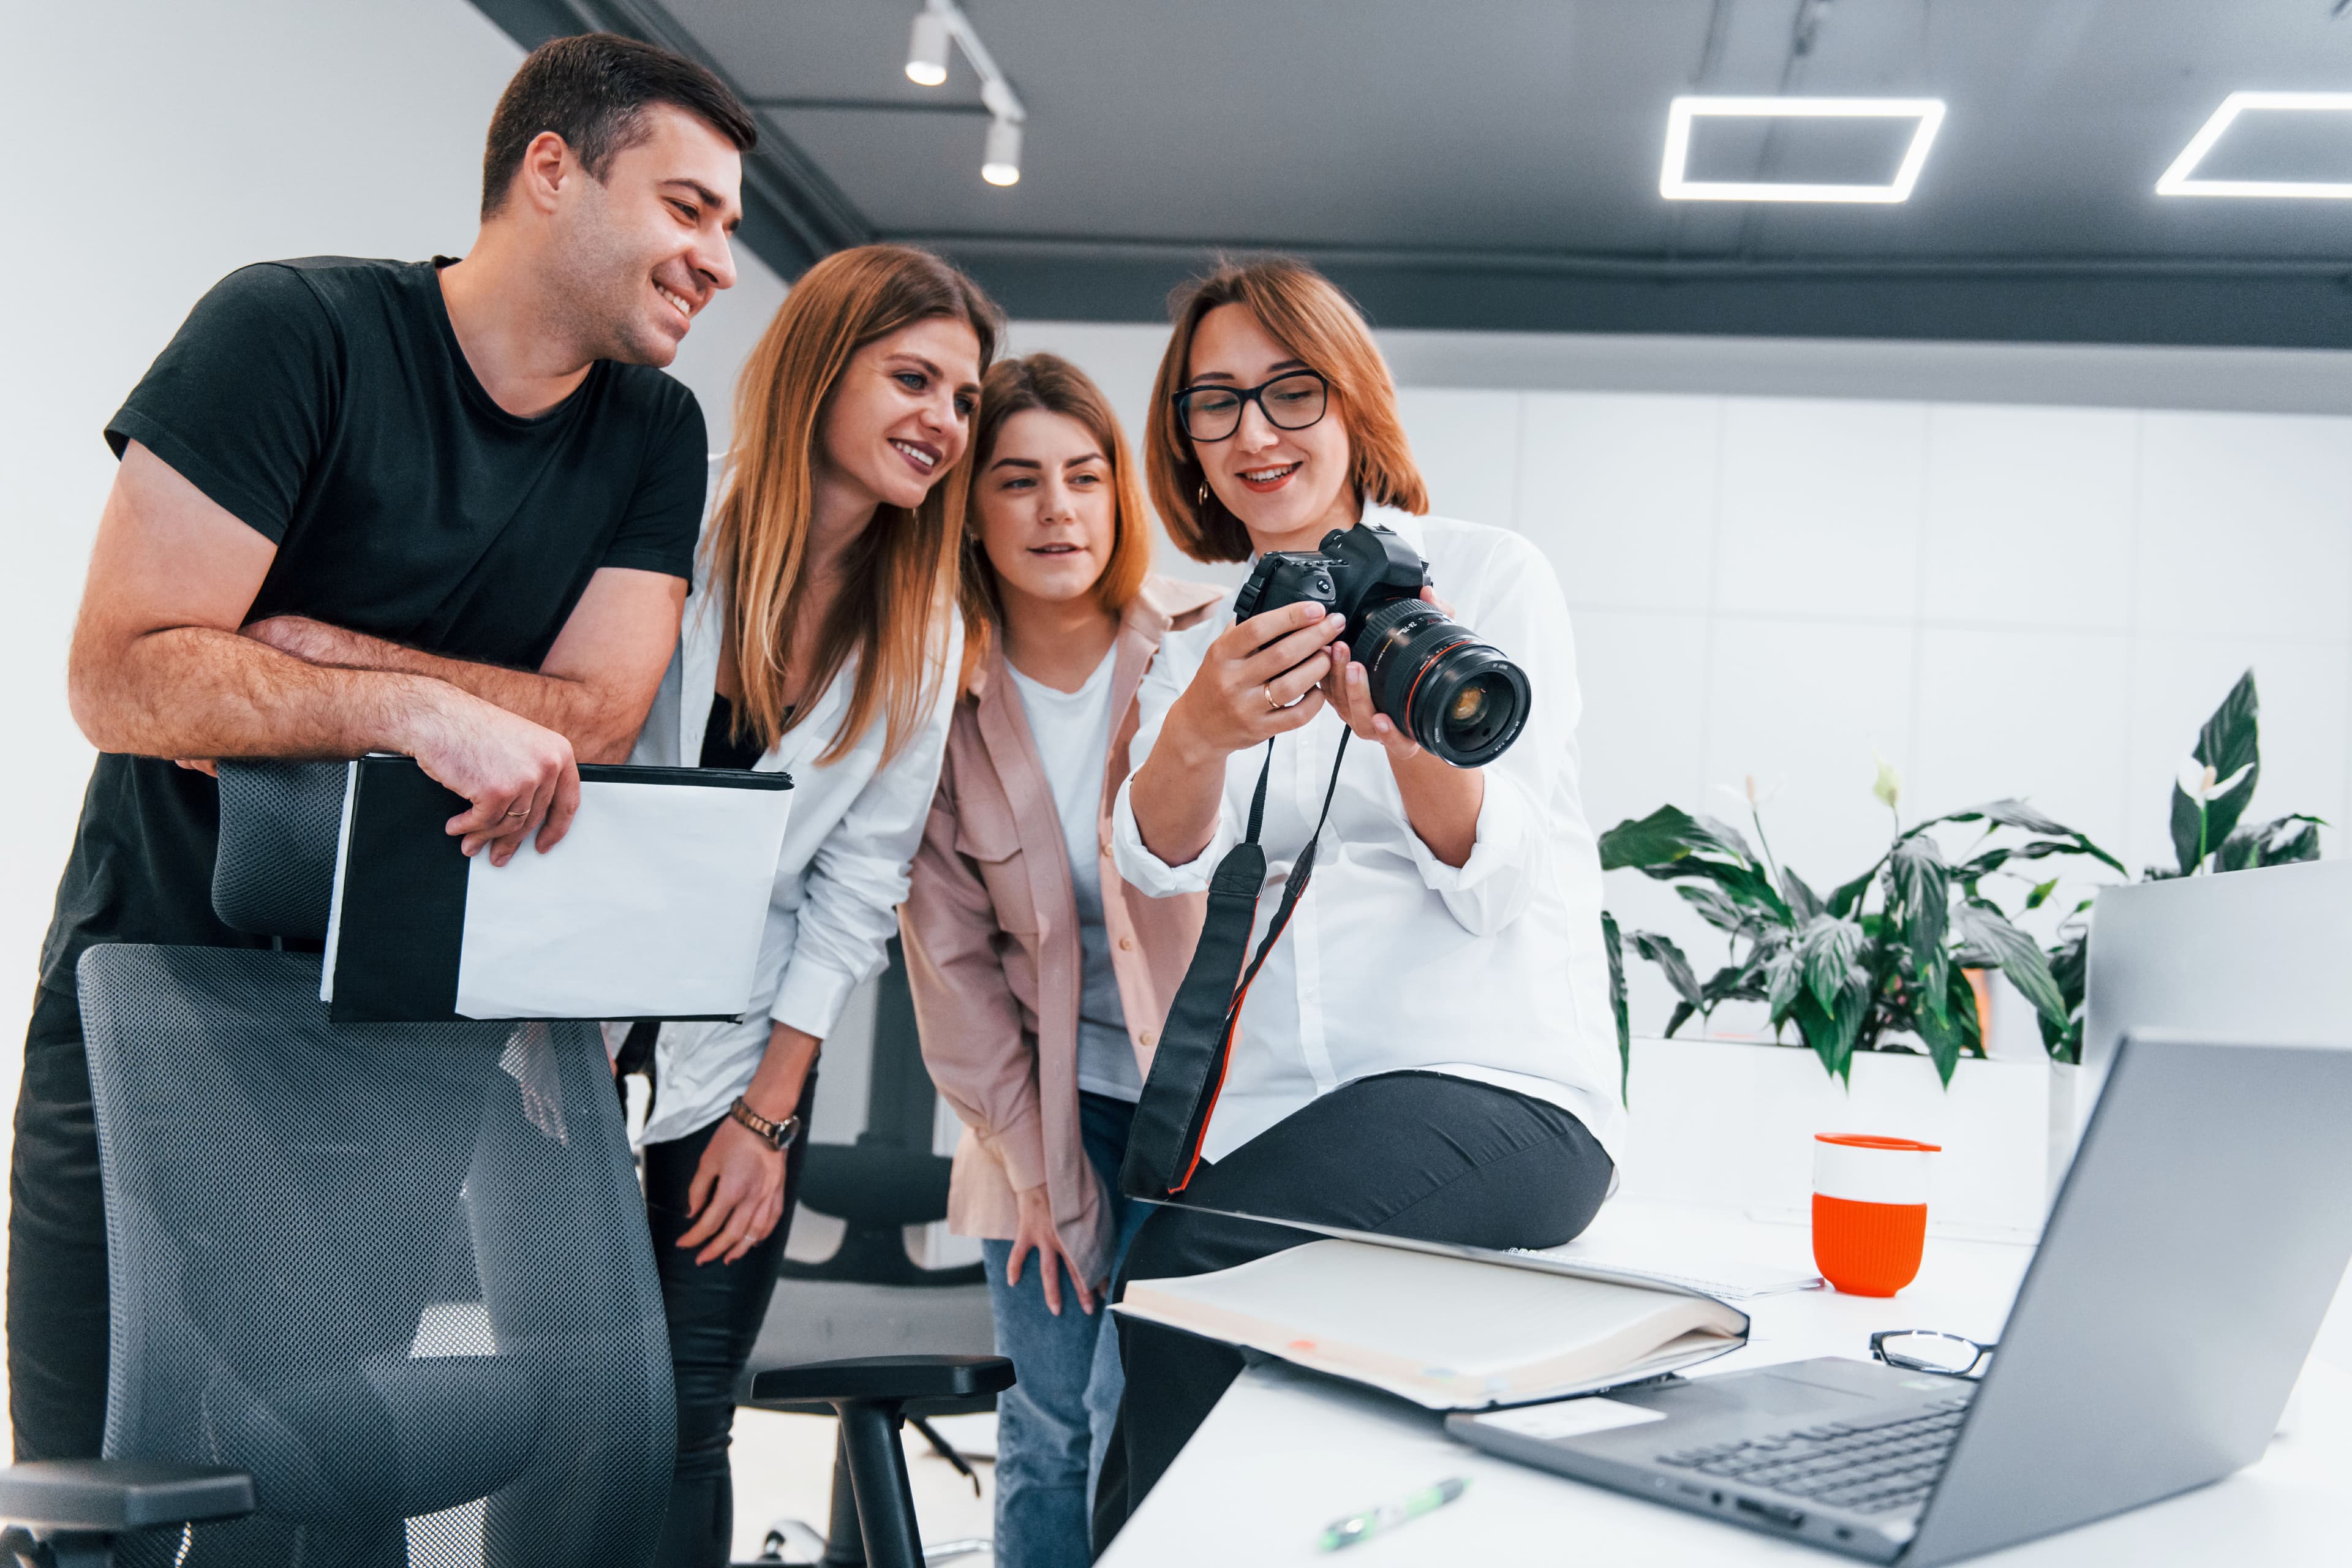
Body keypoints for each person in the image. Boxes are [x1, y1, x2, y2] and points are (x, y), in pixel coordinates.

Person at [12, 32, 754, 1462]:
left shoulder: (651, 433)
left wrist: (322, 657)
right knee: (96, 1492)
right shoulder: (292, 332)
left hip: (394, 1035)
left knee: (314, 1487)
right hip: (154, 999)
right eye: (687, 207)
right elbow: (125, 675)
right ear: (552, 171)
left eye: (726, 223)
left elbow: (597, 713)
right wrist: (420, 715)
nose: (717, 258)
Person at [1091, 257, 1628, 1545]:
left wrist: (1403, 734)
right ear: (1185, 441)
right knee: (1164, 1341)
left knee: (1187, 1271)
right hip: (1284, 1121)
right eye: (1212, 404)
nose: (1254, 433)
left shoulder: (1484, 580)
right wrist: (1202, 730)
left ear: (1352, 400)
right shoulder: (1200, 640)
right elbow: (1156, 855)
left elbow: (1496, 874)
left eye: (1289, 391)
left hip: (1500, 1090)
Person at [618, 243, 998, 1565]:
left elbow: (857, 892)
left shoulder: (924, 621)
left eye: (963, 399)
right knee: (553, 1412)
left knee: (684, 1419)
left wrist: (769, 1116)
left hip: (733, 1070)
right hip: (550, 1042)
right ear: (821, 367)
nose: (943, 423)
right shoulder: (668, 525)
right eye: (913, 377)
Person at [900, 354, 1222, 1567]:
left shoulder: (1203, 639)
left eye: (1086, 477)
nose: (1058, 511)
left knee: (1140, 1408)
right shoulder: (939, 694)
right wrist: (1037, 1173)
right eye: (1020, 481)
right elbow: (950, 962)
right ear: (970, 511)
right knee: (1047, 1419)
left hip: (1207, 1105)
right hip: (1035, 1108)